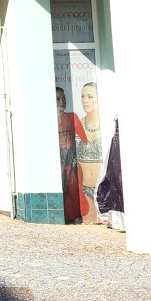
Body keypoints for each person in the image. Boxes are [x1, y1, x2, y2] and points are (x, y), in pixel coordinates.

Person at [57, 87, 87, 223]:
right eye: (58, 99)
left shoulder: (72, 117)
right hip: (57, 162)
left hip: (71, 162)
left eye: (63, 98)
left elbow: (83, 140)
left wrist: (76, 156)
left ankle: (75, 217)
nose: (62, 101)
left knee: (74, 190)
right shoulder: (47, 120)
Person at [77, 82, 104, 219]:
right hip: (83, 186)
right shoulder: (77, 124)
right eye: (83, 96)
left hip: (103, 185)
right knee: (88, 222)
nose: (85, 101)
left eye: (90, 96)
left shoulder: (106, 123)